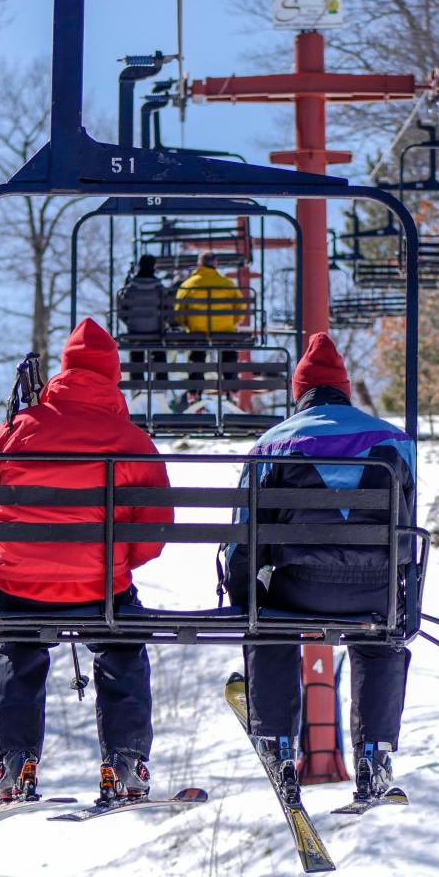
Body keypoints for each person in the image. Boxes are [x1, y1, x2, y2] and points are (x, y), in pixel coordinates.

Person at [0, 317, 172, 803]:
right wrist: (118, 563)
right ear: (112, 377)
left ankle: (15, 764)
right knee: (121, 648)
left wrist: (14, 554)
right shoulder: (129, 441)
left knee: (20, 652)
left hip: (19, 591)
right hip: (100, 591)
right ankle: (124, 760)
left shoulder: (15, 429)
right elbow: (156, 528)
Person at [222, 332, 415, 802]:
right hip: (373, 590)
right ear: (343, 389)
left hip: (299, 588)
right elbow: (406, 531)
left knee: (270, 627)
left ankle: (279, 743)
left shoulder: (274, 443)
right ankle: (374, 753)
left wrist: (247, 597)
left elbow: (247, 534)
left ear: (299, 392)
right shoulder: (395, 441)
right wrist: (402, 592)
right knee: (380, 638)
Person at [174, 251, 246, 397]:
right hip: (224, 331)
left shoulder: (188, 284)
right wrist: (234, 322)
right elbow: (240, 311)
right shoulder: (227, 283)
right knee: (228, 351)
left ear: (199, 264)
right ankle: (231, 387)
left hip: (198, 332)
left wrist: (188, 324)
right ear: (216, 264)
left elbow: (179, 313)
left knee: (197, 353)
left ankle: (195, 390)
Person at [116, 254, 169, 385]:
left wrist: (130, 323)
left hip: (135, 331)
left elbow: (122, 311)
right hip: (156, 331)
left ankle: (137, 382)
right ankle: (161, 381)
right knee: (159, 350)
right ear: (154, 267)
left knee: (136, 351)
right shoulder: (159, 288)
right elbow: (167, 309)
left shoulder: (130, 288)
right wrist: (163, 323)